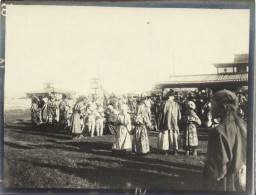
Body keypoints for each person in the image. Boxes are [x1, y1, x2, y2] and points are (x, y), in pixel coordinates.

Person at [203, 90, 247, 191]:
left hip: (225, 184)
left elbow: (216, 170)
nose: (210, 109)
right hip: (242, 182)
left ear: (223, 108)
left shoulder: (218, 132)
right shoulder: (243, 125)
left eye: (213, 105)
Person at [158, 89, 181, 155]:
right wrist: (178, 121)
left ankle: (165, 150)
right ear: (173, 96)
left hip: (165, 122)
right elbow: (179, 115)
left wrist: (160, 121)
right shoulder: (176, 104)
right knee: (174, 135)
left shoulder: (163, 103)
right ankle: (175, 150)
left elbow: (160, 114)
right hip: (174, 123)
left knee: (165, 135)